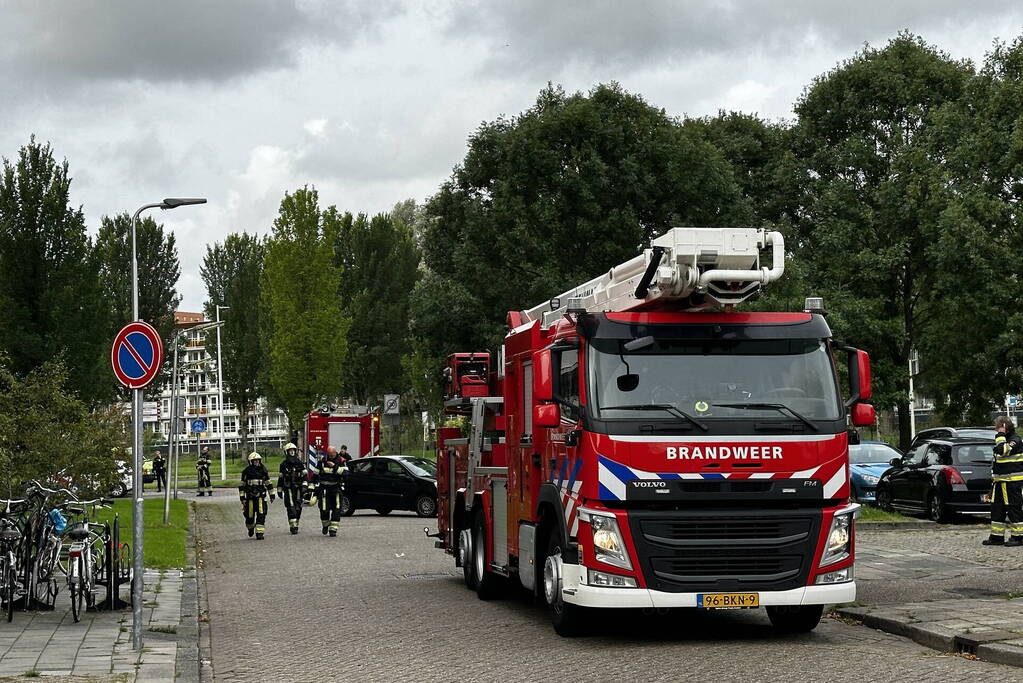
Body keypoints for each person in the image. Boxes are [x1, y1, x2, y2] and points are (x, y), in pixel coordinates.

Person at [985, 415, 1023, 546]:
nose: (996, 430)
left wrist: (1000, 435)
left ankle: (1018, 537)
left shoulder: (1015, 440)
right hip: (999, 482)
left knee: (1013, 509)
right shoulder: (1003, 439)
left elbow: (1003, 451)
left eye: (998, 427)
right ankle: (996, 537)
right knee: (997, 509)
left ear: (1004, 427)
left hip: (1012, 482)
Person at [239, 452, 275, 540]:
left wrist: (272, 495)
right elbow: (242, 486)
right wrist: (242, 498)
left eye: (257, 460)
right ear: (251, 461)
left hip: (261, 497)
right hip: (250, 498)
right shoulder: (246, 472)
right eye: (254, 461)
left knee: (261, 514)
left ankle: (260, 533)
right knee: (249, 516)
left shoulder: (263, 470)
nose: (256, 462)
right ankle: (250, 528)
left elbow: (268, 483)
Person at [312, 446, 345, 537]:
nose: (330, 456)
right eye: (329, 455)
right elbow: (315, 475)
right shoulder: (322, 462)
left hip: (336, 488)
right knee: (324, 509)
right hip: (324, 489)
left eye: (332, 455)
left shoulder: (341, 461)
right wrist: (311, 487)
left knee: (337, 508)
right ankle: (325, 525)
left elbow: (346, 474)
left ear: (335, 453)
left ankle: (333, 529)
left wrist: (335, 466)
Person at [277, 443, 308, 535]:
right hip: (288, 488)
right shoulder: (283, 465)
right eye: (290, 451)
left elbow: (305, 476)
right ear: (286, 452)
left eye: (293, 450)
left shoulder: (300, 463)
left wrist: (305, 486)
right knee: (291, 507)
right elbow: (281, 478)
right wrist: (279, 489)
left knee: (298, 507)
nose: (292, 452)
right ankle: (293, 526)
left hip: (298, 488)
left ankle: (296, 523)